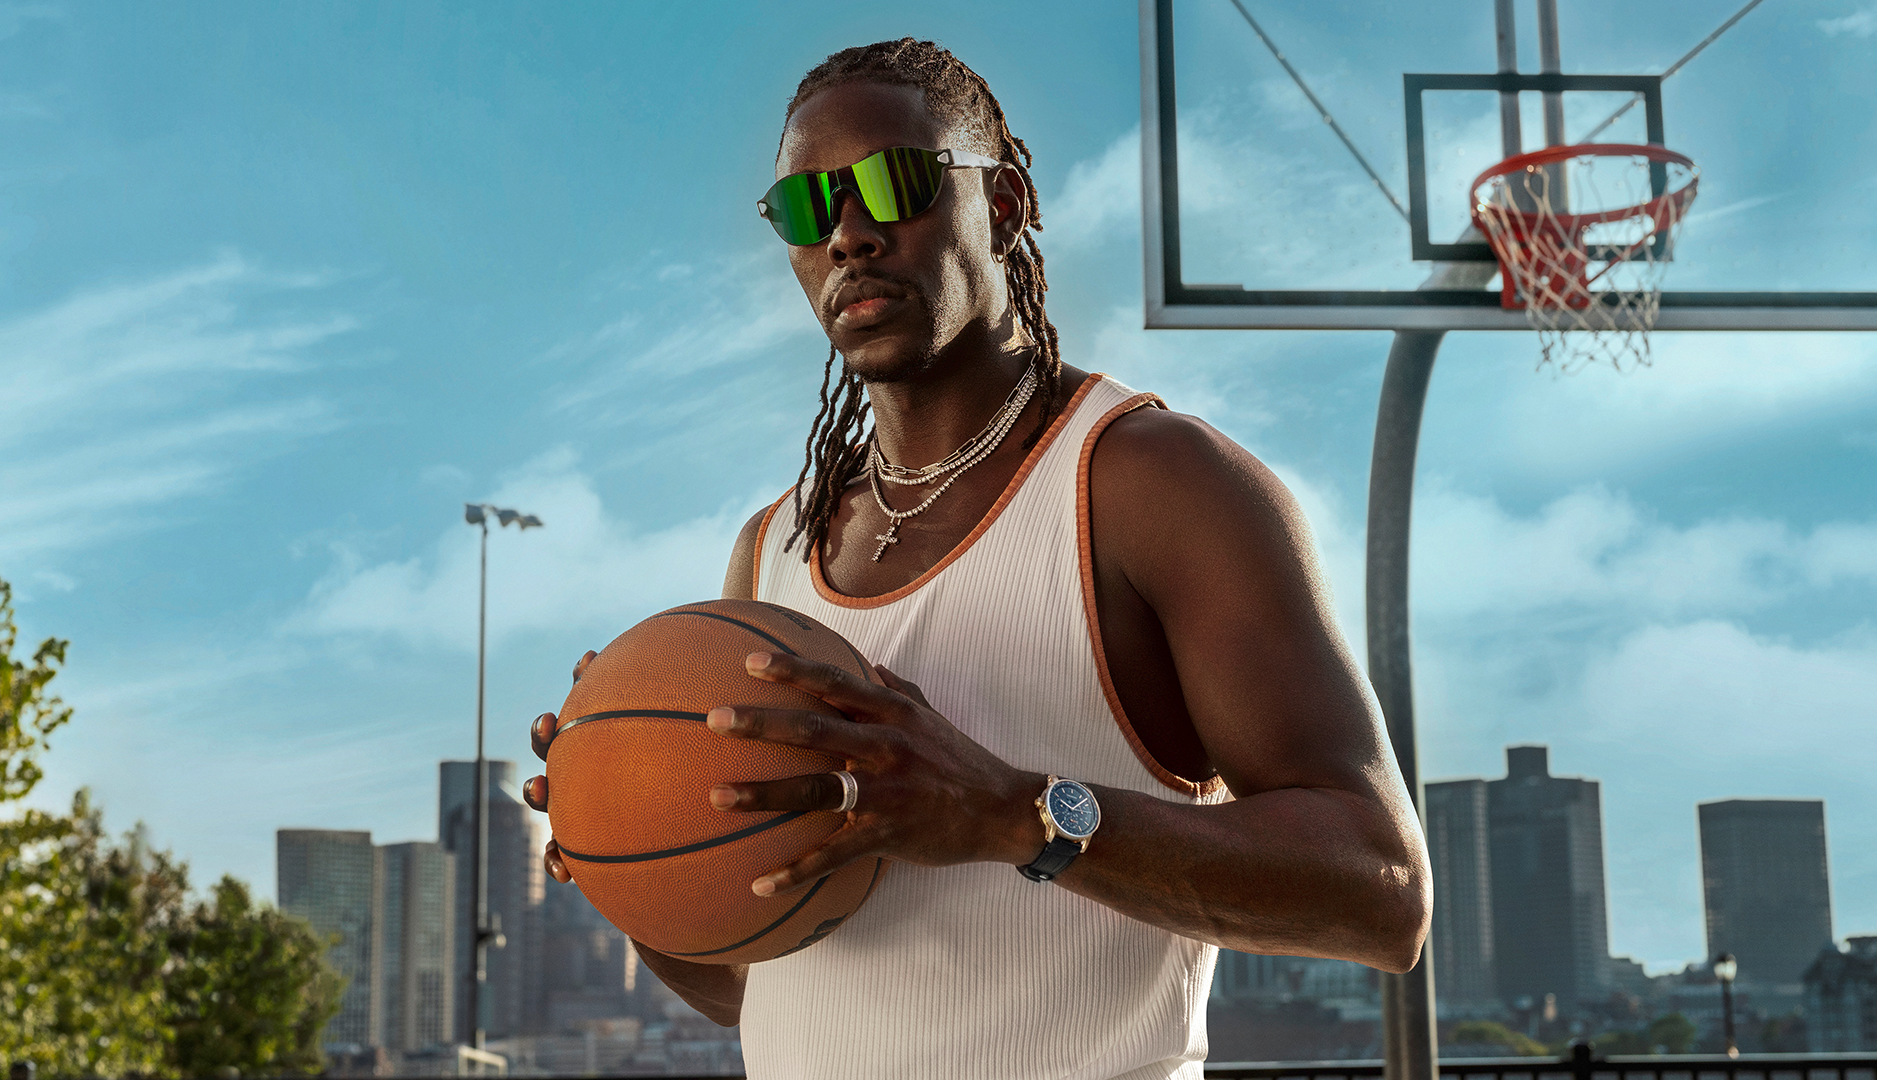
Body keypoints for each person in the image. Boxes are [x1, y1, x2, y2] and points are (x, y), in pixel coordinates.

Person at [524, 38, 1429, 1079]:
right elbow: (749, 984)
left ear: (1001, 207)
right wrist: (628, 845)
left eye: (893, 183)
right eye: (808, 208)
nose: (850, 234)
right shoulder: (772, 548)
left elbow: (1381, 895)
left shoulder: (1154, 485)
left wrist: (1011, 813)